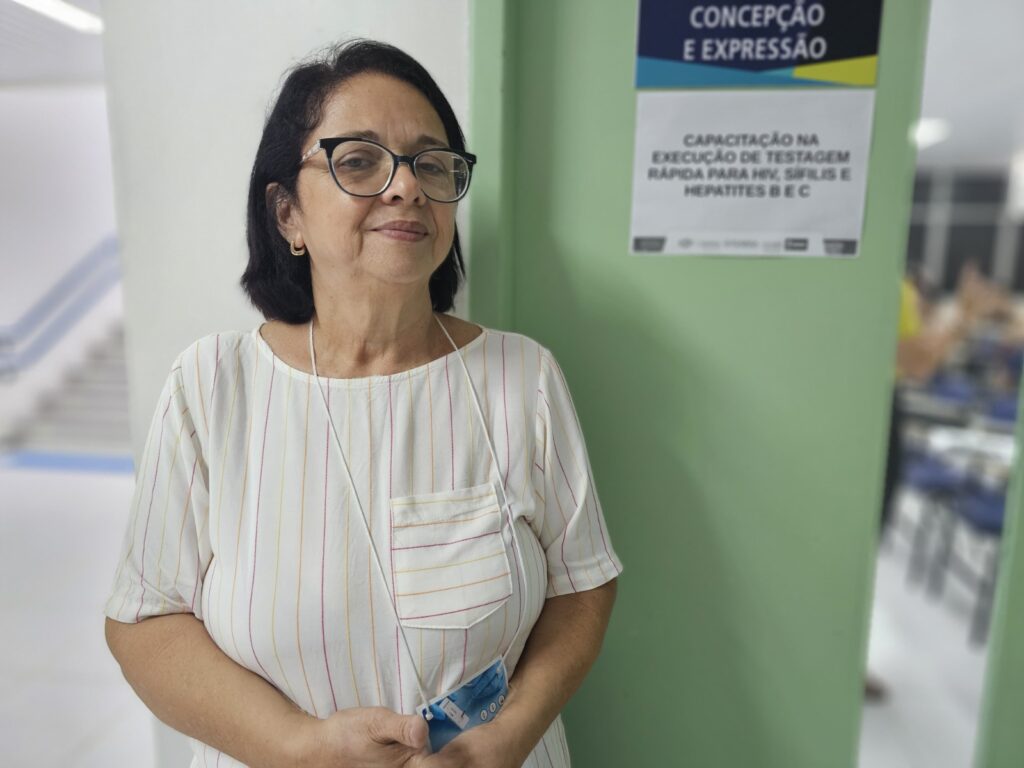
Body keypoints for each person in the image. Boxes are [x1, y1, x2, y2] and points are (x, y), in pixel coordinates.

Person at [103, 40, 622, 768]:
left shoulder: (522, 378)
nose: (406, 187)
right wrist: (298, 746)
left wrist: (509, 737)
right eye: (358, 161)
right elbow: (144, 620)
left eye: (431, 164)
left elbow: (582, 584)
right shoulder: (212, 387)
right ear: (288, 213)